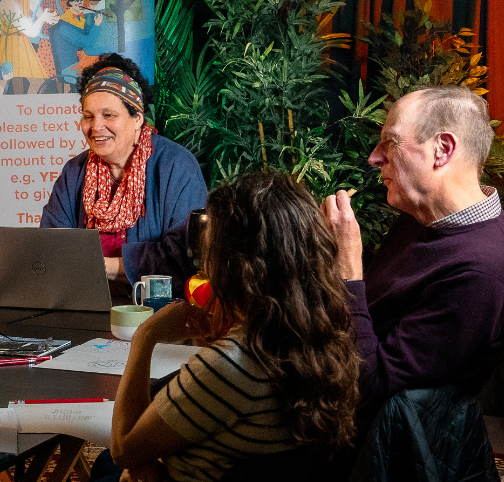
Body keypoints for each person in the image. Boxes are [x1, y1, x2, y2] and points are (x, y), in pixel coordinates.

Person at [105, 172, 360, 482]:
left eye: (209, 249)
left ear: (235, 266)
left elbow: (124, 449)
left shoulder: (230, 365)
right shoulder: (324, 338)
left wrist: (145, 337)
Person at [320, 86, 504, 423]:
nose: (374, 157)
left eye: (390, 142)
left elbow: (370, 389)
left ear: (442, 149)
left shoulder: (481, 273)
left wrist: (347, 269)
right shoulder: (422, 217)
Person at [40, 55, 206, 290]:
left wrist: (102, 266)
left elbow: (183, 257)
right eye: (88, 116)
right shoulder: (74, 172)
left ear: (137, 118)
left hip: (156, 306)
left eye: (109, 115)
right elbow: (51, 245)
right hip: (85, 301)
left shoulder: (176, 166)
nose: (96, 127)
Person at [0, 0, 59, 95]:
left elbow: (43, 16)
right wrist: (43, 18)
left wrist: (51, 17)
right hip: (9, 47)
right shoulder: (7, 2)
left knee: (39, 83)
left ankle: (27, 105)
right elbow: (31, 31)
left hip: (23, 45)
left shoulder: (29, 0)